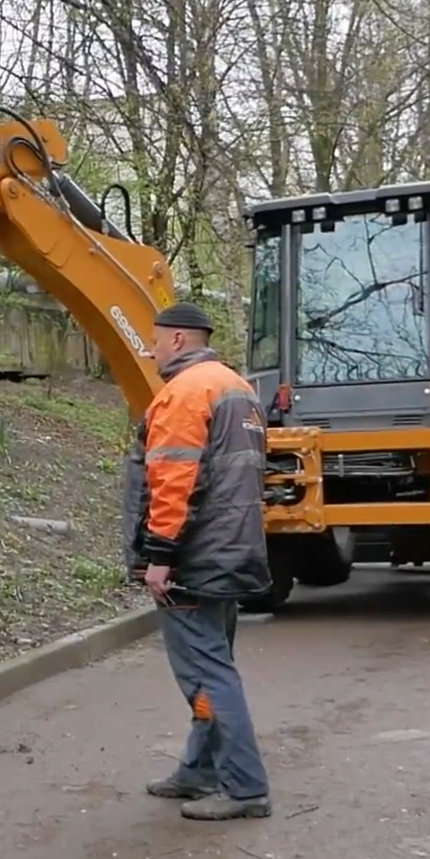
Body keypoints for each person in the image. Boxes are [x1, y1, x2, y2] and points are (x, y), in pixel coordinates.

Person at [123, 301, 273, 821]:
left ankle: (245, 787)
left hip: (193, 558)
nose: (152, 347)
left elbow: (173, 481)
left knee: (208, 674)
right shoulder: (237, 389)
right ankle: (199, 770)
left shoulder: (184, 393)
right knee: (213, 664)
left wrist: (159, 556)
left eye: (157, 338)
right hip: (231, 550)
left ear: (179, 340)